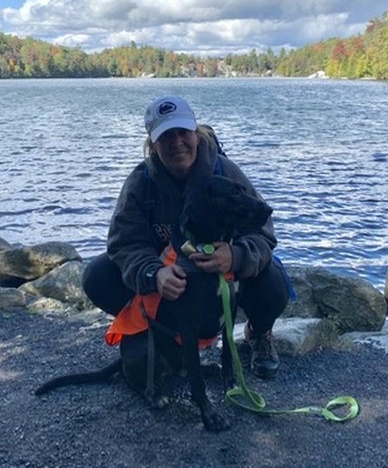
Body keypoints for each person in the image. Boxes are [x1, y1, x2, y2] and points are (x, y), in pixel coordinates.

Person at [82, 95, 289, 379]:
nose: (177, 142)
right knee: (97, 275)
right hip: (174, 286)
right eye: (166, 135)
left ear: (196, 132)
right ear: (152, 143)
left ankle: (259, 333)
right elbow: (123, 244)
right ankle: (162, 335)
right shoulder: (140, 182)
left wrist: (236, 255)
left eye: (183, 132)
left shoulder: (225, 172)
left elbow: (263, 232)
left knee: (274, 281)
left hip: (221, 279)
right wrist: (154, 274)